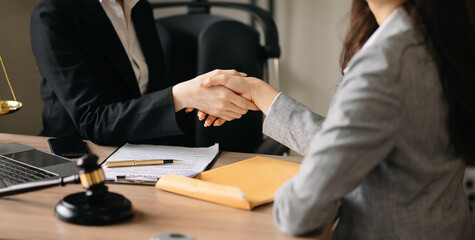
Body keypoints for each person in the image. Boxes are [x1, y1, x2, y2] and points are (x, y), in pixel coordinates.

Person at [198, 0, 475, 238]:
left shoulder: (387, 62)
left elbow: (300, 209)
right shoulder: (434, 37)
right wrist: (261, 94)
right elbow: (357, 144)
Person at [30, 0, 256, 146]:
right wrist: (182, 96)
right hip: (79, 159)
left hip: (143, 156)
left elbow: (152, 97)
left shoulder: (140, 9)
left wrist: (200, 97)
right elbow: (92, 121)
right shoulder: (53, 14)